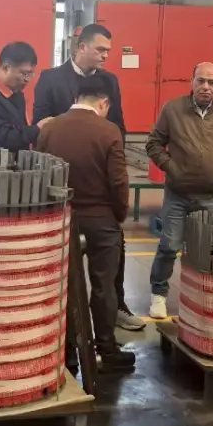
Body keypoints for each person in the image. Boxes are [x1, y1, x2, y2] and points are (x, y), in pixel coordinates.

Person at [32, 24, 144, 332]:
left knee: (112, 255)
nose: (106, 55)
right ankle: (61, 320)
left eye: (108, 50)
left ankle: (116, 308)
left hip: (98, 186)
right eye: (101, 49)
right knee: (62, 264)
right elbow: (40, 124)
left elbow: (118, 127)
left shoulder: (109, 81)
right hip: (63, 188)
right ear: (81, 47)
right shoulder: (50, 79)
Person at [36, 78, 137, 373]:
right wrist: (118, 215)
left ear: (77, 97)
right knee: (104, 286)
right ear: (104, 103)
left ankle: (66, 352)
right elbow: (118, 181)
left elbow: (40, 173)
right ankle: (105, 349)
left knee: (63, 287)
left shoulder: (50, 128)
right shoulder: (109, 130)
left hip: (62, 218)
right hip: (101, 219)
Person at [144, 63, 213, 319]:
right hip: (177, 194)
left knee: (209, 250)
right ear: (191, 81)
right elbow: (154, 143)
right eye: (200, 81)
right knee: (169, 246)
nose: (205, 87)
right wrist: (172, 168)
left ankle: (202, 296)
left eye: (211, 82)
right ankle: (159, 295)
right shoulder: (173, 109)